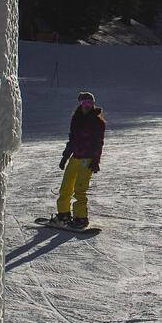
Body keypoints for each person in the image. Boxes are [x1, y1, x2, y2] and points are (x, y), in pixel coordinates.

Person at [53, 91, 106, 229]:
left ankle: (80, 217)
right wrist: (65, 156)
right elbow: (72, 139)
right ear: (80, 103)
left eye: (89, 102)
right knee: (65, 187)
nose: (87, 105)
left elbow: (98, 142)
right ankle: (63, 214)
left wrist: (96, 160)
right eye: (84, 102)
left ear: (93, 104)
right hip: (75, 158)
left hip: (87, 160)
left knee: (80, 189)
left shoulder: (98, 122)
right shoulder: (76, 118)